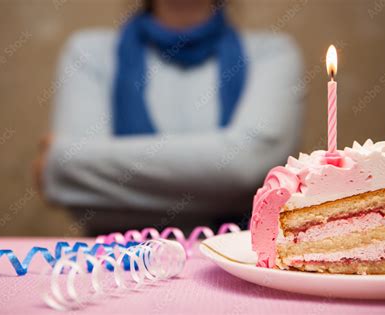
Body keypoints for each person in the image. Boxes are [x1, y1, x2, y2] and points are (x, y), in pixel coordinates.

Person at [33, 0, 304, 234]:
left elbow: (247, 168)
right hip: (114, 271)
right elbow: (78, 200)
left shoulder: (273, 53)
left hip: (238, 268)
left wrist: (65, 161)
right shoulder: (89, 53)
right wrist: (221, 187)